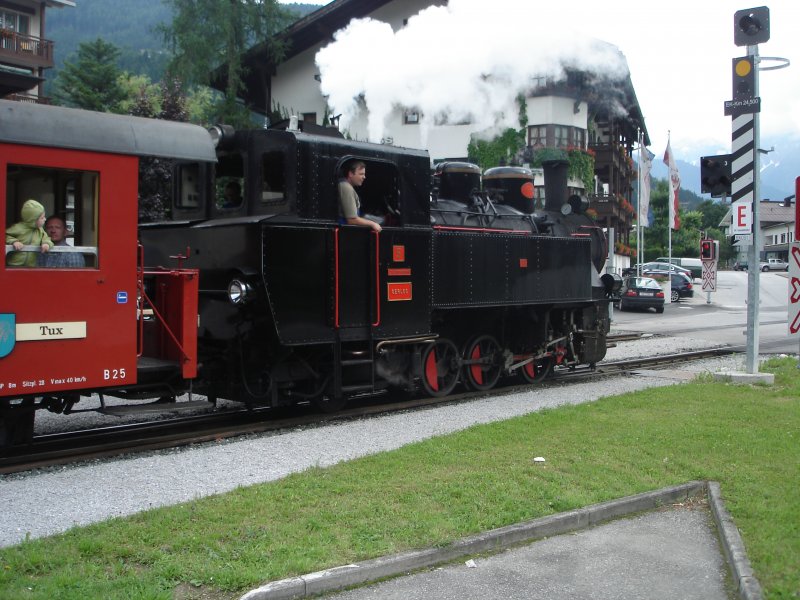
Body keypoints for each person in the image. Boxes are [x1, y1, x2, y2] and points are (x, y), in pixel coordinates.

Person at [5, 199, 51, 267]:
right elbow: (5, 235)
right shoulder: (18, 228)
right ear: (33, 219)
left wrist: (46, 244)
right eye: (42, 217)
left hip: (31, 267)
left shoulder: (40, 230)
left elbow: (46, 238)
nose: (45, 219)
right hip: (13, 265)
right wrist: (14, 242)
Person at [338, 160, 381, 232]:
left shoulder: (346, 186)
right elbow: (351, 220)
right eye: (361, 174)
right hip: (346, 233)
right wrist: (373, 224)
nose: (364, 177)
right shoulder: (346, 187)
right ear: (351, 174)